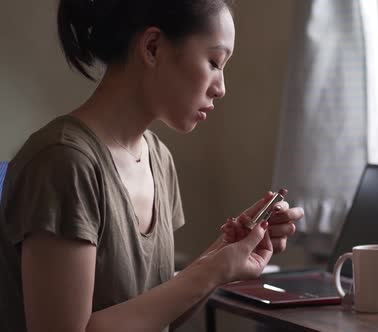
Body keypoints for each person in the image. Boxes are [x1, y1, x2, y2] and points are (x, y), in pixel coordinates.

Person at [0, 0, 304, 331]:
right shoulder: (63, 162)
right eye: (215, 62)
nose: (221, 88)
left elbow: (159, 316)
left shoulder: (158, 158)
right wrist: (212, 270)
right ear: (153, 47)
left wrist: (224, 256)